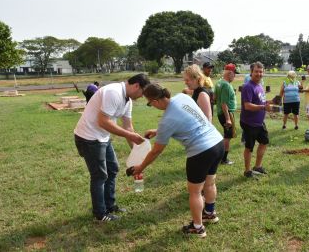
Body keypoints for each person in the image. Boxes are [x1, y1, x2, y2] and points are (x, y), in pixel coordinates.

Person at [128, 83, 224, 238]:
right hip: (217, 143)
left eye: (149, 103)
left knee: (195, 192)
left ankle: (198, 228)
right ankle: (210, 213)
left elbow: (156, 151)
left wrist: (141, 167)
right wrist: (158, 131)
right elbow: (186, 120)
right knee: (210, 182)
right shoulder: (182, 97)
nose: (151, 106)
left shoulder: (167, 120)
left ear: (155, 101)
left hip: (201, 151)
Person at [74, 74, 150, 222]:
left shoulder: (128, 100)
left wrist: (136, 152)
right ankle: (100, 214)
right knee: (100, 175)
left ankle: (109, 205)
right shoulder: (113, 92)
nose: (142, 97)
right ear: (136, 86)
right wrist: (130, 135)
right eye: (142, 93)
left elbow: (128, 126)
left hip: (102, 137)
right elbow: (103, 122)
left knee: (113, 168)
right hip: (88, 137)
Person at [240, 62, 270, 178]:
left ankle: (257, 166)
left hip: (259, 122)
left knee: (264, 142)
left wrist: (269, 102)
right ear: (251, 72)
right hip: (249, 123)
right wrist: (263, 107)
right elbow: (247, 106)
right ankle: (247, 171)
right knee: (249, 147)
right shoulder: (248, 86)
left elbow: (260, 102)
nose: (259, 73)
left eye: (261, 71)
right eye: (256, 71)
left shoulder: (260, 86)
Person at [214, 63, 237, 164]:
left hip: (220, 113)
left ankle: (221, 157)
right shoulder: (226, 85)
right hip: (226, 113)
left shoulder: (219, 82)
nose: (235, 76)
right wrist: (228, 119)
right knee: (228, 137)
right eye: (234, 74)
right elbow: (224, 103)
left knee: (226, 136)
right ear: (230, 73)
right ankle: (224, 159)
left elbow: (214, 98)